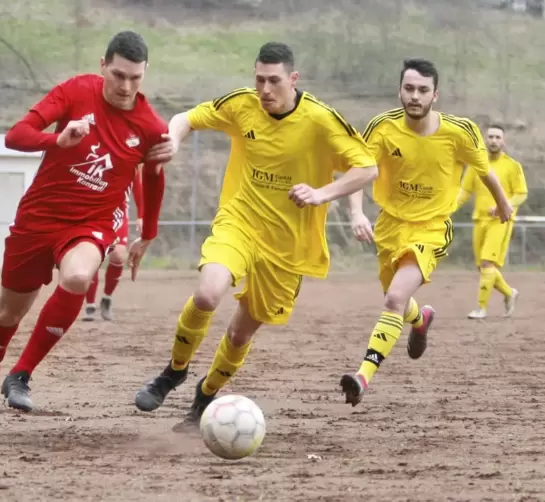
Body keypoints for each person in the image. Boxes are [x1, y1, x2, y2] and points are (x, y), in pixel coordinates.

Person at [132, 41, 378, 432]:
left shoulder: (321, 120)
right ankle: (172, 372)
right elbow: (186, 117)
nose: (265, 89)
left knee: (238, 332)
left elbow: (366, 168)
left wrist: (321, 194)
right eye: (259, 79)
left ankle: (205, 397)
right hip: (240, 222)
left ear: (293, 79)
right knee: (208, 293)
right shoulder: (242, 104)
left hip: (288, 248)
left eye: (274, 81)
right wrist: (175, 140)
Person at [0, 30, 171, 430]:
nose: (126, 86)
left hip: (90, 223)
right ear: (102, 66)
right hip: (37, 219)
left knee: (79, 276)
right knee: (10, 312)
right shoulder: (75, 91)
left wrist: (147, 233)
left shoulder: (149, 125)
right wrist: (56, 139)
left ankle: (20, 374)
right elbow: (15, 136)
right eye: (118, 75)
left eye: (135, 78)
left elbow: (153, 176)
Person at [342, 58, 513, 407]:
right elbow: (360, 170)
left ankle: (362, 376)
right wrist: (357, 212)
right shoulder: (382, 127)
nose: (414, 96)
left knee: (393, 299)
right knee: (397, 298)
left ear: (436, 95)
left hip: (433, 228)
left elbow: (486, 172)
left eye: (422, 90)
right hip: (390, 226)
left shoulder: (459, 132)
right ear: (399, 91)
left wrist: (504, 205)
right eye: (409, 88)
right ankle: (420, 321)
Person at [456, 124, 527, 320]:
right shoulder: (475, 165)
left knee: (488, 263)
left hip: (501, 221)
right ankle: (509, 293)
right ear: (484, 140)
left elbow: (521, 194)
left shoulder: (512, 166)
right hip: (479, 220)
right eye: (490, 137)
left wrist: (504, 206)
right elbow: (464, 191)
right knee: (484, 267)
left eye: (497, 137)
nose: (493, 140)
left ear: (504, 141)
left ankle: (481, 308)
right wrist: (448, 207)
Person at [83, 166, 143, 321]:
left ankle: (106, 298)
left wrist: (141, 215)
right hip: (93, 210)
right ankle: (90, 304)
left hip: (118, 213)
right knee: (92, 255)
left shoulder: (131, 158)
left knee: (118, 256)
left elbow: (138, 185)